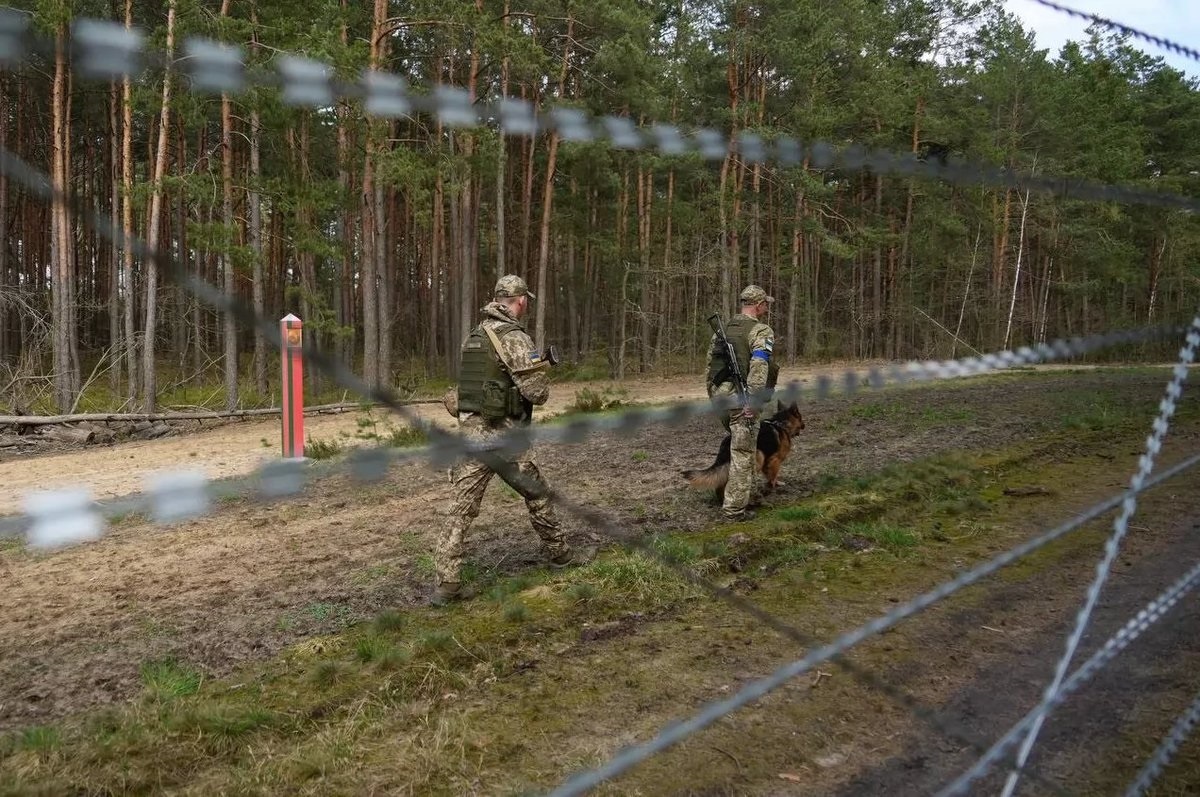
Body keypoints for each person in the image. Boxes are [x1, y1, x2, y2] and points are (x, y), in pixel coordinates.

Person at [433, 274, 590, 606]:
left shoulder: (474, 337)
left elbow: (463, 393)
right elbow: (537, 394)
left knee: (459, 511)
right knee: (537, 495)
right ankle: (560, 555)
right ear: (520, 301)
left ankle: (447, 585)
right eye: (525, 300)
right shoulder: (516, 338)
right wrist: (540, 372)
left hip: (471, 438)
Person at [705, 284, 777, 521]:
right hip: (742, 400)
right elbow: (759, 366)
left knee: (742, 448)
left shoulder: (722, 331)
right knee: (743, 453)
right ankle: (734, 510)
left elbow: (710, 369)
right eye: (765, 303)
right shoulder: (761, 331)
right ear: (758, 305)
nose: (767, 306)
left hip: (721, 399)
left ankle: (747, 496)